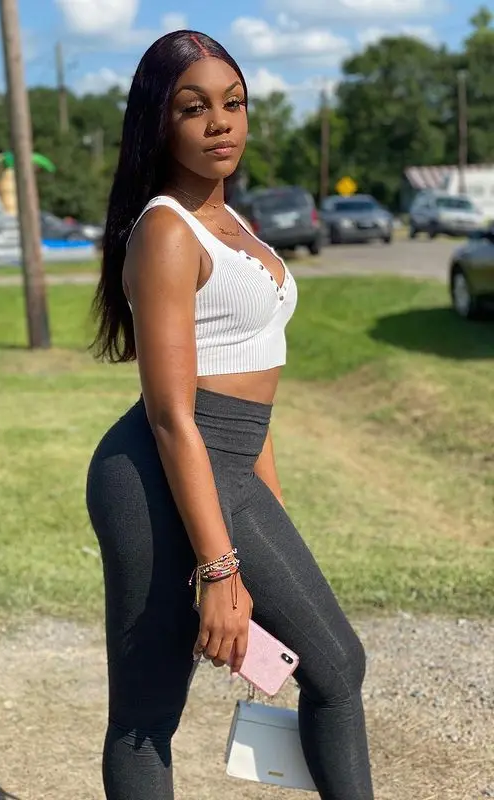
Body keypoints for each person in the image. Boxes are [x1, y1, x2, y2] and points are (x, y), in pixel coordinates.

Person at [85, 29, 374, 800]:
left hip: (230, 467)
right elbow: (171, 415)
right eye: (195, 107)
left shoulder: (236, 223)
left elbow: (256, 387)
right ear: (159, 123)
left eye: (234, 103)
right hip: (153, 478)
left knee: (336, 665)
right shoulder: (165, 230)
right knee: (147, 713)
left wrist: (270, 532)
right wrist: (221, 570)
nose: (221, 122)